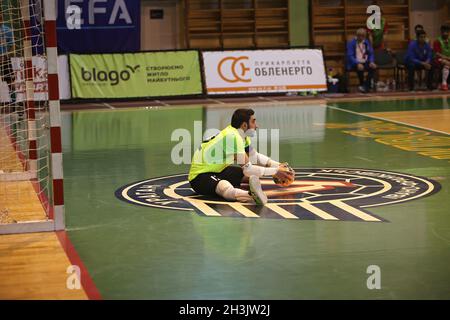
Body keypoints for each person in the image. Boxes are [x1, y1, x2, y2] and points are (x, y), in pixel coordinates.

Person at [188, 108, 293, 205]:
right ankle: (250, 196)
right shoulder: (233, 137)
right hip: (199, 177)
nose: (256, 125)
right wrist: (275, 171)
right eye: (253, 121)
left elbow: (254, 156)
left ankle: (250, 191)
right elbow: (248, 169)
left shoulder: (240, 135)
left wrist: (278, 165)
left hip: (217, 169)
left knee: (249, 176)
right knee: (224, 186)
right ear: (244, 125)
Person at [346, 28, 377, 93]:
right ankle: (362, 85)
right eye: (360, 36)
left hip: (365, 61)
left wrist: (371, 61)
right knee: (360, 68)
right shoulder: (351, 43)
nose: (361, 38)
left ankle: (365, 86)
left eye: (363, 36)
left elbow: (371, 53)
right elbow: (350, 56)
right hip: (354, 63)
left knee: (373, 68)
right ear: (357, 36)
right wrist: (357, 63)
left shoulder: (366, 42)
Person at [0, 14, 15, 105]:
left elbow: (11, 45)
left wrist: (5, 55)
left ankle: (14, 103)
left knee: (10, 82)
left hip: (5, 59)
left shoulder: (7, 30)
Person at [433, 25, 450, 91]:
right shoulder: (437, 41)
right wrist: (446, 58)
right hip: (439, 59)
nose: (445, 33)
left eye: (447, 32)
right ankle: (444, 83)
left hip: (449, 59)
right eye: (444, 31)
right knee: (446, 64)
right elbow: (437, 53)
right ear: (441, 32)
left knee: (448, 64)